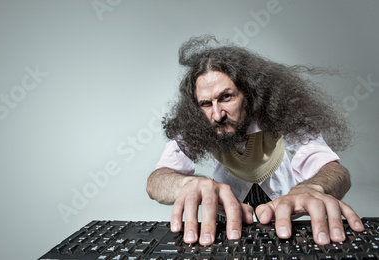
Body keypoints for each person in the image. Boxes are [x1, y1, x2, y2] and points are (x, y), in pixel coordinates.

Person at [146, 35, 365, 246]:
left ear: (249, 92)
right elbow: (156, 180)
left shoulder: (280, 112)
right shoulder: (199, 121)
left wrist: (315, 187)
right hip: (229, 205)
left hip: (281, 200)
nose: (217, 114)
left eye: (226, 97)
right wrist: (186, 183)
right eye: (206, 103)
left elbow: (334, 170)